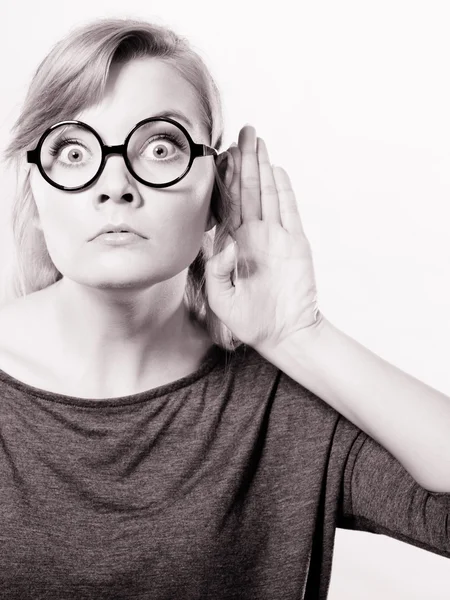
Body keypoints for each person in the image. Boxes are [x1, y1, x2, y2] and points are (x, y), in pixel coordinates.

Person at [0, 17, 448, 600]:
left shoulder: (283, 404)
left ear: (218, 190)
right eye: (74, 149)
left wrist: (302, 336)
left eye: (160, 147)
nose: (114, 186)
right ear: (36, 191)